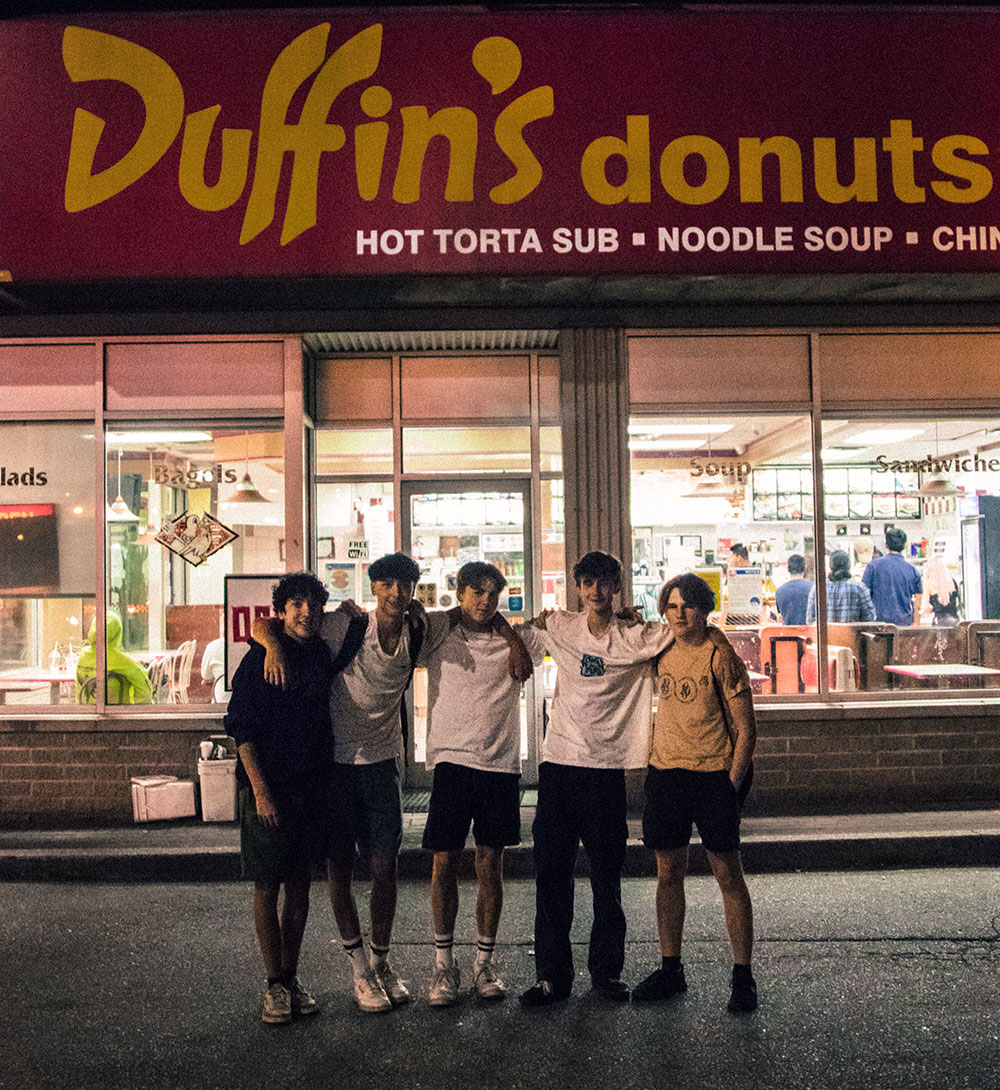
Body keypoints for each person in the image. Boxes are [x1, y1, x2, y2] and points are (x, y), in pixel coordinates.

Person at [253, 553, 532, 1014]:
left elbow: (492, 618)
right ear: (374, 586)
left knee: (386, 870)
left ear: (414, 590)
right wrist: (271, 646)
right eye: (387, 584)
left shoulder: (420, 629)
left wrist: (510, 635)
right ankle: (359, 969)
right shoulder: (345, 625)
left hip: (384, 764)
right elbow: (272, 623)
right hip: (336, 766)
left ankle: (380, 964)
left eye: (405, 585)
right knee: (339, 872)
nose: (396, 593)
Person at [518, 551, 728, 1008]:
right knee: (552, 876)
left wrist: (719, 639)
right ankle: (551, 978)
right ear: (577, 587)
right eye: (588, 582)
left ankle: (605, 974)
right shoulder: (560, 627)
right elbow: (518, 636)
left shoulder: (638, 636)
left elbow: (690, 628)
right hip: (558, 767)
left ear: (617, 587)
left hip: (607, 772)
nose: (596, 591)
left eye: (606, 582)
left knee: (606, 881)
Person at [632, 573, 758, 1014]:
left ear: (704, 610)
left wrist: (730, 784)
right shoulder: (659, 646)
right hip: (666, 774)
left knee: (728, 876)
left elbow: (746, 729)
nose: (679, 614)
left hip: (712, 776)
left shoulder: (722, 657)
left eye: (687, 606)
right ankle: (671, 969)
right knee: (668, 875)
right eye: (671, 606)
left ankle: (742, 976)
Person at [421, 561, 546, 1006]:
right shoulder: (439, 631)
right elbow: (394, 626)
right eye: (475, 592)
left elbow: (561, 626)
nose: (484, 601)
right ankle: (443, 966)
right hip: (452, 763)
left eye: (492, 593)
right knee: (443, 865)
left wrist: (512, 635)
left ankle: (484, 962)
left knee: (490, 866)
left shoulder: (519, 638)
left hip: (500, 767)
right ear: (459, 593)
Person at [225, 572, 333, 1025]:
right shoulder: (258, 659)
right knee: (267, 885)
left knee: (301, 886)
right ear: (282, 610)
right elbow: (242, 732)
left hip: (310, 786)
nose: (306, 613)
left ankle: (290, 978)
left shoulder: (323, 653)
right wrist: (262, 793)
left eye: (313, 605)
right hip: (268, 789)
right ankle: (273, 983)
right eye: (296, 605)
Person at [75, 609, 152, 704]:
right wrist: (134, 712)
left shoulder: (84, 655)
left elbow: (78, 688)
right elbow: (144, 688)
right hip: (117, 714)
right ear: (118, 633)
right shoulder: (122, 661)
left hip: (86, 713)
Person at [862, 528, 923, 625]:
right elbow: (918, 603)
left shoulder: (873, 566)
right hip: (904, 624)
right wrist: (916, 623)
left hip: (879, 625)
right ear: (904, 545)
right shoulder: (913, 570)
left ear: (886, 545)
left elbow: (864, 595)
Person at [806, 550, 876, 623]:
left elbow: (810, 620)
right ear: (848, 565)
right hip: (852, 634)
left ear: (830, 565)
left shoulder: (818, 588)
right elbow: (870, 617)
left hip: (826, 634)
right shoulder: (859, 588)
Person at [774, 554, 813, 625]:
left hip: (788, 634)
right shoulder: (814, 588)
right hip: (810, 634)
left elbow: (780, 614)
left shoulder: (780, 591)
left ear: (788, 569)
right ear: (805, 568)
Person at [922, 556, 960, 626]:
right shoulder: (952, 582)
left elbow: (926, 608)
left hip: (939, 622)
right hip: (955, 621)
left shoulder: (928, 584)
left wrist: (934, 608)